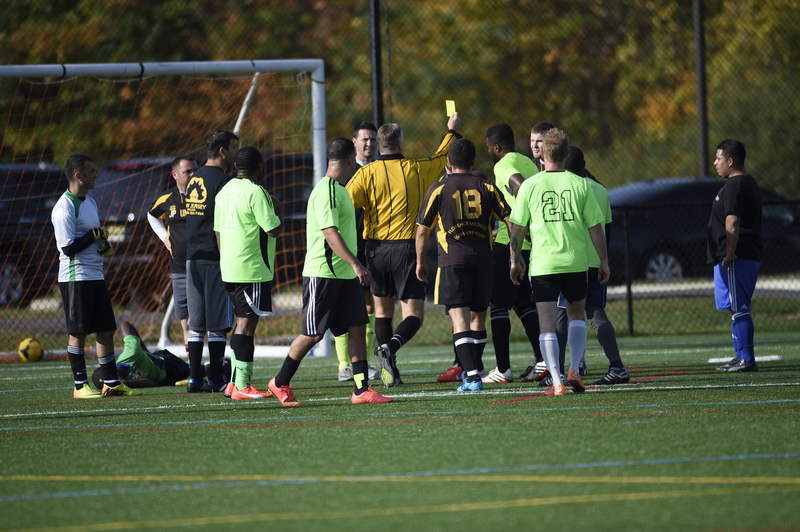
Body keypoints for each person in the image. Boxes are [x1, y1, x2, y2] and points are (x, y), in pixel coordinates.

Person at [268, 138, 393, 406]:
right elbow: (330, 234)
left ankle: (361, 389)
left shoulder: (340, 189)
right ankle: (279, 382)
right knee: (312, 334)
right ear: (350, 160)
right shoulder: (326, 191)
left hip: (344, 276)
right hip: (323, 274)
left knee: (358, 327)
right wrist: (356, 264)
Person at [347, 113, 462, 387]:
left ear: (379, 146)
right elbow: (442, 155)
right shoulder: (417, 168)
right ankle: (390, 350)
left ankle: (390, 373)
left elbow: (344, 203)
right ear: (400, 145)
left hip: (374, 251)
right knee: (413, 316)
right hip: (406, 250)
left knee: (383, 313)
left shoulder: (365, 173)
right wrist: (451, 130)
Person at [509, 128, 609, 396]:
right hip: (575, 263)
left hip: (543, 265)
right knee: (577, 315)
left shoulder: (530, 185)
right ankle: (575, 370)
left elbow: (516, 229)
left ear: (541, 153)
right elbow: (596, 228)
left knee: (547, 324)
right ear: (566, 153)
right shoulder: (581, 184)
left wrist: (514, 260)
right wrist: (603, 261)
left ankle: (556, 382)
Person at [416, 138, 511, 392]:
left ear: (448, 162)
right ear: (473, 161)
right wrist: (515, 253)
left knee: (459, 320)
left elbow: (422, 230)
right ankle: (476, 368)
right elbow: (510, 219)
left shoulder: (439, 189)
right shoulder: (487, 187)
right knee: (478, 319)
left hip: (453, 261)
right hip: (484, 262)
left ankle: (471, 376)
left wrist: (420, 261)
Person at [51, 154, 139, 399]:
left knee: (105, 329)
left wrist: (101, 243)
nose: (96, 174)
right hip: (75, 277)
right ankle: (80, 386)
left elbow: (91, 236)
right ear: (78, 175)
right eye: (91, 171)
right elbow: (67, 248)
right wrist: (93, 236)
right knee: (78, 332)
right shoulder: (64, 207)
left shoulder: (90, 202)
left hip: (95, 275)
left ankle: (110, 382)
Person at [469, 123, 544, 385]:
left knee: (498, 304)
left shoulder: (502, 165)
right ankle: (543, 359)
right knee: (523, 303)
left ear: (497, 147)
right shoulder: (528, 161)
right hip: (529, 241)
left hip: (510, 240)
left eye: (489, 146)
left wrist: (522, 224)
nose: (488, 150)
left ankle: (503, 368)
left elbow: (521, 188)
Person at [551, 146, 630, 386]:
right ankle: (616, 365)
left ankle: (561, 372)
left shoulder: (564, 188)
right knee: (595, 312)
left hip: (572, 260)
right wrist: (603, 260)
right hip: (595, 261)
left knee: (563, 316)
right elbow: (605, 229)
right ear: (585, 165)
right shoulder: (600, 190)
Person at [214, 146, 283, 399]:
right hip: (252, 269)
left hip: (229, 267)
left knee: (241, 323)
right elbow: (273, 229)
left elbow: (218, 232)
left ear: (235, 167)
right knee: (246, 324)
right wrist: (280, 209)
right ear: (260, 167)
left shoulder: (224, 192)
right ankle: (242, 384)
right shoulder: (257, 192)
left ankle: (233, 382)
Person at [184, 129, 237, 393]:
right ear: (222, 151)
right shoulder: (223, 181)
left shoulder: (194, 178)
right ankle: (216, 380)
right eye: (234, 148)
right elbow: (223, 225)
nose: (236, 153)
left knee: (197, 323)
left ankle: (195, 380)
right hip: (214, 259)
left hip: (192, 258)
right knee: (217, 323)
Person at [708, 139, 762, 373]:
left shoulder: (736, 185)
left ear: (730, 161)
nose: (715, 163)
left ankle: (746, 358)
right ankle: (740, 355)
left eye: (718, 158)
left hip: (737, 257)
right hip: (741, 256)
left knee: (739, 307)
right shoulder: (742, 183)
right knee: (736, 307)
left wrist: (730, 254)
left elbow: (733, 223)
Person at [335, 122, 380, 383]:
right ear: (354, 142)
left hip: (372, 245)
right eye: (364, 139)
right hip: (349, 246)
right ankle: (344, 364)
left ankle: (364, 362)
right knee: (344, 304)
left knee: (369, 304)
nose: (369, 144)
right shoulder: (346, 172)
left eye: (373, 139)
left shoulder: (378, 169)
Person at [148, 156, 197, 353]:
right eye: (188, 171)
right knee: (185, 321)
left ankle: (212, 364)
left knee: (204, 320)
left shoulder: (205, 196)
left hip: (205, 265)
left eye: (195, 170)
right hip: (179, 267)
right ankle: (195, 365)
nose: (193, 175)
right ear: (175, 175)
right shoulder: (166, 199)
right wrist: (164, 237)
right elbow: (151, 215)